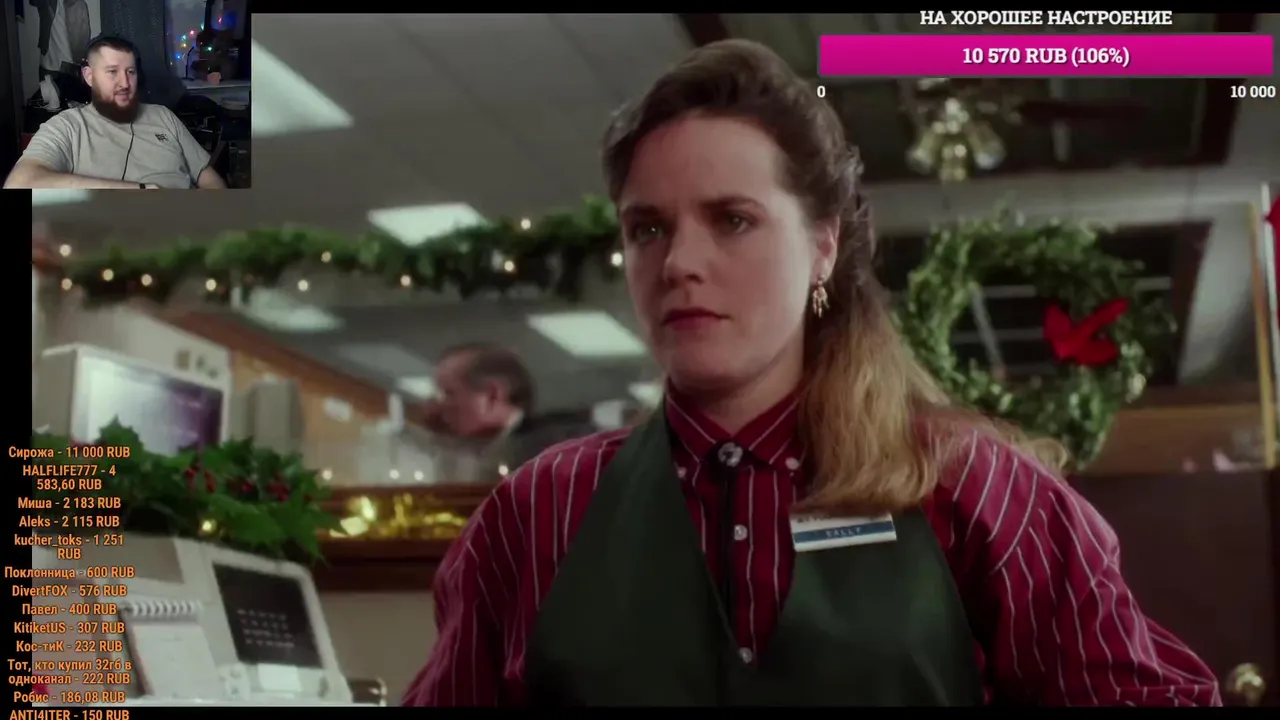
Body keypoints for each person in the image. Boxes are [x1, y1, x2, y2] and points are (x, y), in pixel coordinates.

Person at [402, 40, 1220, 707]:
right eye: (648, 228)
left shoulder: (974, 490)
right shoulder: (538, 513)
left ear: (823, 246)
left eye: (732, 220)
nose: (679, 262)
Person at [4, 35, 226, 190]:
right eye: (112, 72)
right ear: (89, 76)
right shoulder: (67, 126)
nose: (125, 83)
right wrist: (138, 190)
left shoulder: (163, 116)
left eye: (130, 72)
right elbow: (19, 183)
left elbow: (209, 179)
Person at [411, 343, 572, 484]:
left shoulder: (548, 455)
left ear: (492, 395)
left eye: (448, 394)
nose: (436, 408)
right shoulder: (482, 452)